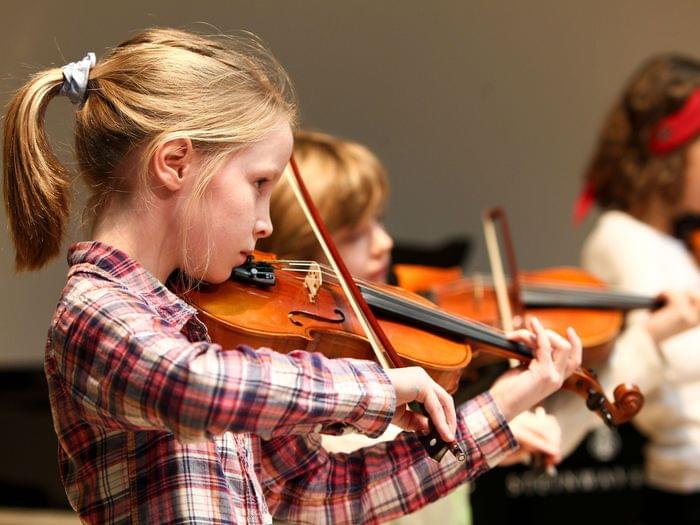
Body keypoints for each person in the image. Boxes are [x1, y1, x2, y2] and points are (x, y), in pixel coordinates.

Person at [3, 28, 581, 524]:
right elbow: (193, 387)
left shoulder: (199, 322)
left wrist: (505, 404)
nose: (267, 223)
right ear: (174, 163)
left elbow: (320, 493)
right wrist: (376, 388)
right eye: (258, 184)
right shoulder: (96, 311)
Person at [258, 129, 566, 525]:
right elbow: (340, 484)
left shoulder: (379, 340)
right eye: (355, 234)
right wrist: (485, 424)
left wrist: (488, 440)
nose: (385, 242)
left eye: (379, 221)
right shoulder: (286, 371)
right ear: (295, 251)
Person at [548, 53, 700, 525]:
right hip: (685, 488)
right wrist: (661, 330)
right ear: (673, 149)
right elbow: (629, 378)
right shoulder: (620, 240)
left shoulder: (682, 243)